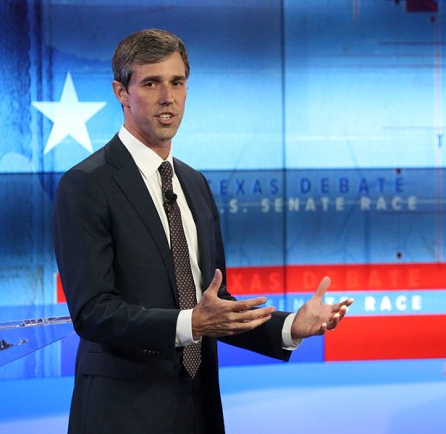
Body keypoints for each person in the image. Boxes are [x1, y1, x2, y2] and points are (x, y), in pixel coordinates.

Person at [53, 28, 354, 434]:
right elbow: (93, 313)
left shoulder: (194, 184)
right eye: (151, 83)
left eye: (177, 82)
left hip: (198, 411)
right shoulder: (87, 184)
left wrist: (289, 326)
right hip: (122, 414)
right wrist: (191, 324)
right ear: (121, 92)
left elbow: (216, 305)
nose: (168, 97)